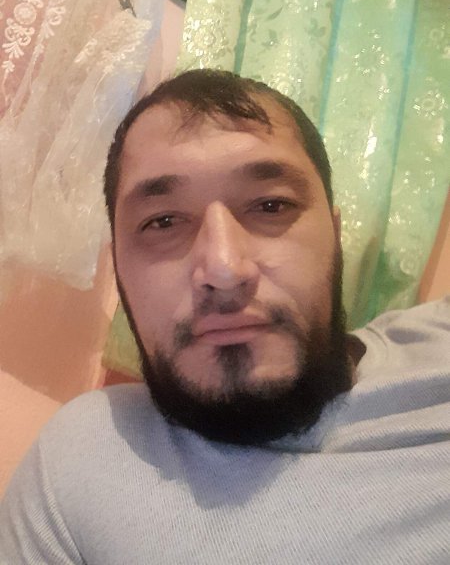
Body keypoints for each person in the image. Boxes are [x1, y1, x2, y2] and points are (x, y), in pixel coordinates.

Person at [0, 69, 449, 564]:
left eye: (271, 205)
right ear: (119, 268)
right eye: (163, 221)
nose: (224, 269)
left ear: (335, 236)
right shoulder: (78, 464)